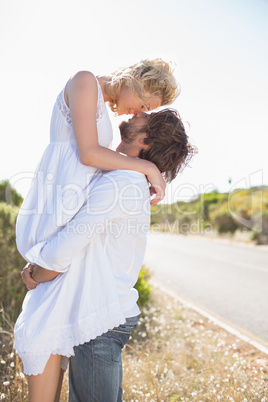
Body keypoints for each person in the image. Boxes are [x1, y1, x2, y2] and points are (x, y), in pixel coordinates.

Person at [17, 108, 196, 401]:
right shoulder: (119, 176)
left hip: (98, 322)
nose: (140, 110)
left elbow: (67, 246)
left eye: (146, 117)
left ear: (145, 140)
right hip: (93, 316)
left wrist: (36, 273)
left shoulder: (122, 182)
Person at [16, 58, 179, 263]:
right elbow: (89, 154)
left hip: (67, 209)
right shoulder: (85, 81)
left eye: (146, 110)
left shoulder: (97, 99)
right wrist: (148, 167)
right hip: (52, 208)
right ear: (138, 81)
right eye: (144, 104)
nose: (140, 112)